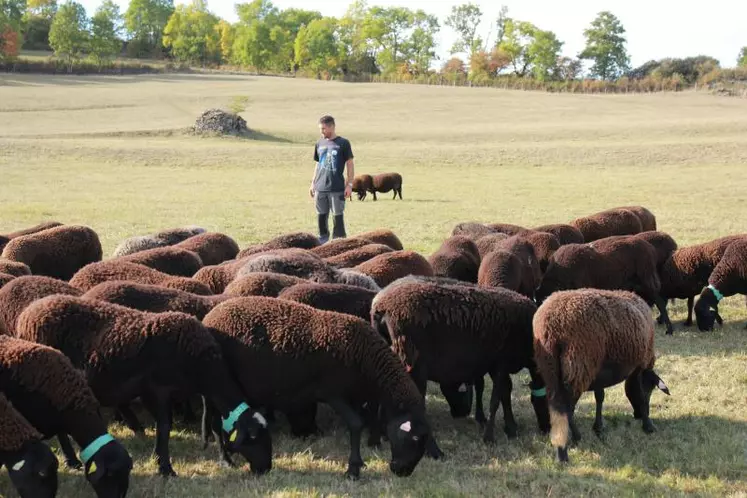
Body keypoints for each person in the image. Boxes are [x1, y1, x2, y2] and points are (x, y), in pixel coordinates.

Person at [310, 115, 355, 243]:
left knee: (338, 217)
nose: (321, 131)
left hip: (337, 188)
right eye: (320, 129)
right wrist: (313, 183)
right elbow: (318, 164)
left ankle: (339, 243)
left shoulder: (343, 143)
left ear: (332, 127)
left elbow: (350, 164)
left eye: (323, 129)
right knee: (321, 217)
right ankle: (322, 241)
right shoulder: (319, 143)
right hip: (320, 188)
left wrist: (350, 184)